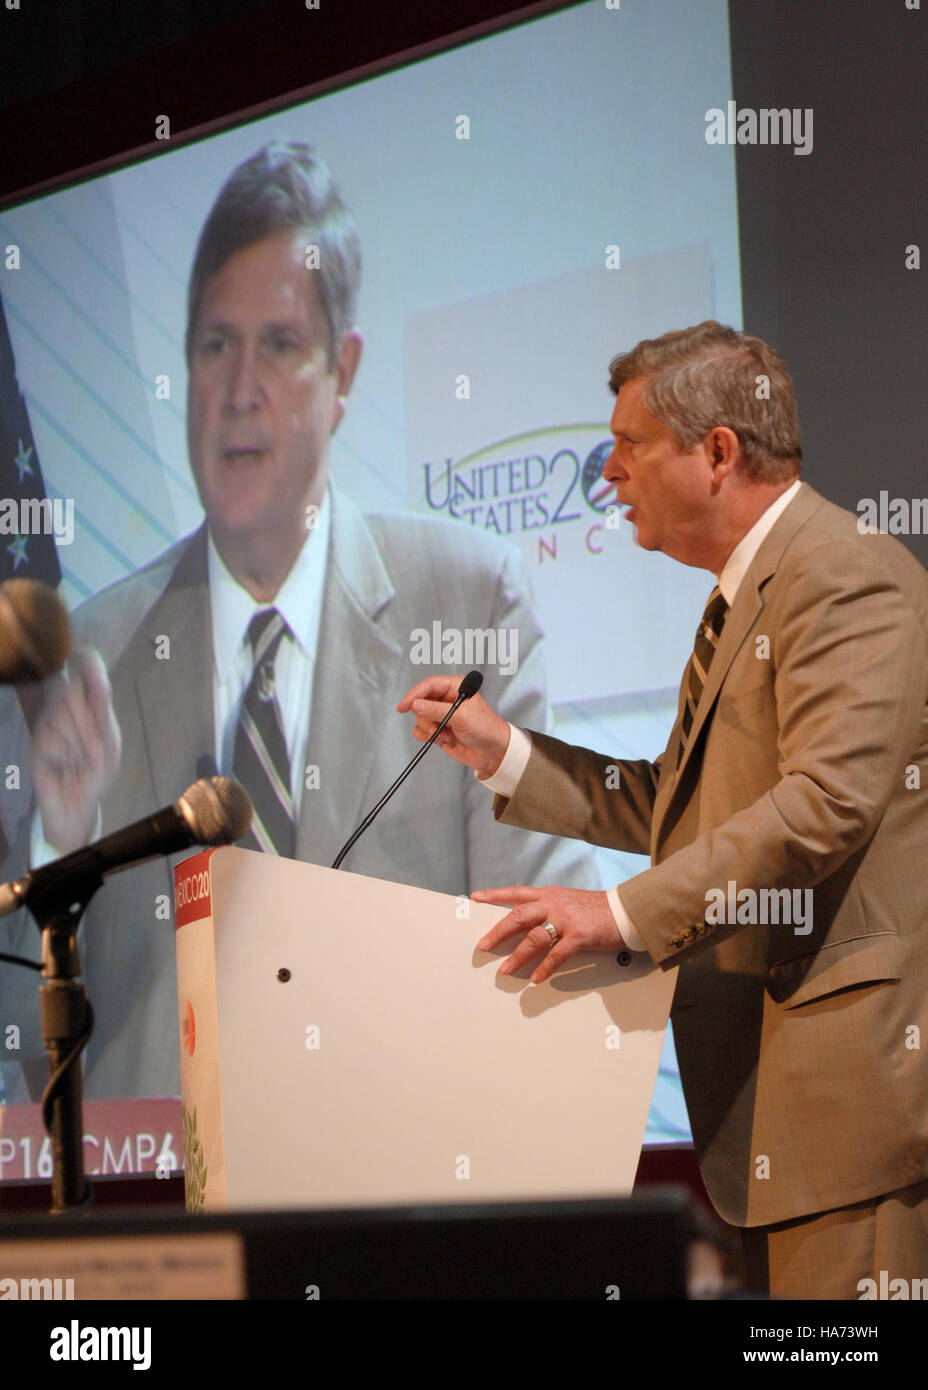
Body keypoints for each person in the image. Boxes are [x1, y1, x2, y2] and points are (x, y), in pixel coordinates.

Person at [0, 142, 596, 1102]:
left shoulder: (469, 598)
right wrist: (52, 846)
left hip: (399, 1208)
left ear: (343, 370)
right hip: (168, 1229)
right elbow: (23, 1057)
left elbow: (548, 948)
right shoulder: (96, 653)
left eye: (278, 345)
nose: (240, 389)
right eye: (213, 345)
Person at [399, 321, 928, 1300]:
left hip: (852, 1113)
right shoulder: (747, 594)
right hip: (778, 1121)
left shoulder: (841, 571)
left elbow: (825, 805)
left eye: (630, 445)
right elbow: (678, 805)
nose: (607, 473)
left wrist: (617, 914)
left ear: (718, 452)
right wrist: (507, 751)